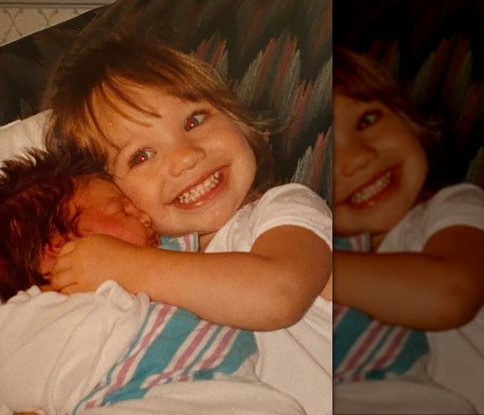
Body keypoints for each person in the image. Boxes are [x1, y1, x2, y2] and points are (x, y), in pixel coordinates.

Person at [41, 36, 333, 414]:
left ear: (239, 123)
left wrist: (125, 265)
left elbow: (280, 294)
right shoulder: (150, 276)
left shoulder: (283, 212)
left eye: (194, 120)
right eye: (141, 156)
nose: (185, 157)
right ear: (115, 197)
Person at [0, 147, 305, 414]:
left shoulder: (147, 260)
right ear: (59, 247)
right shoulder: (34, 326)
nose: (144, 216)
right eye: (123, 211)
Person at [331, 48, 484, 413]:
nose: (357, 158)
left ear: (410, 121)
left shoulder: (455, 208)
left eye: (367, 120)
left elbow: (450, 294)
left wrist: (312, 271)